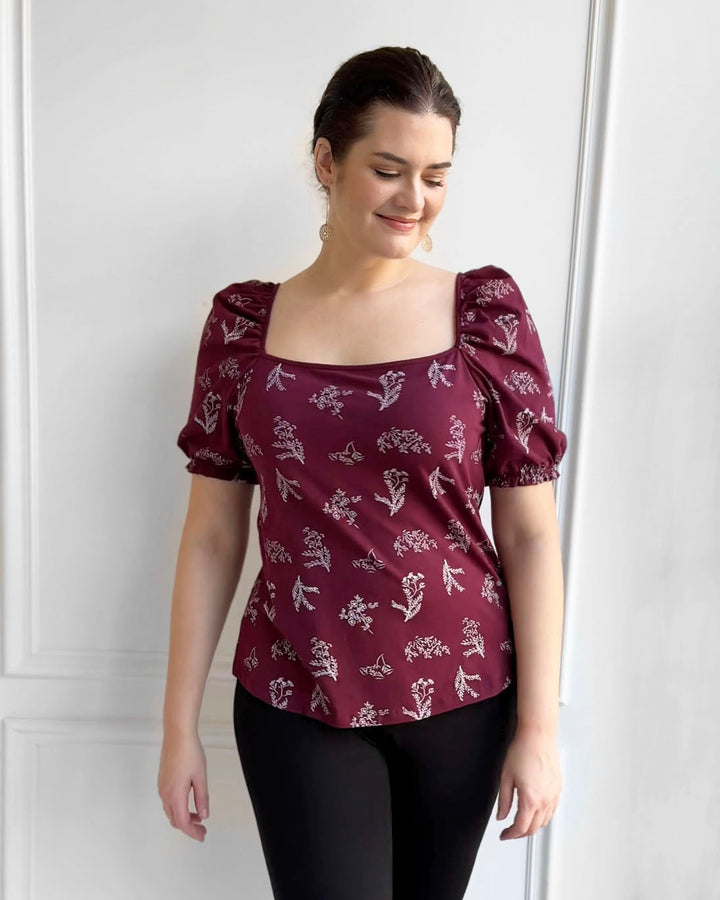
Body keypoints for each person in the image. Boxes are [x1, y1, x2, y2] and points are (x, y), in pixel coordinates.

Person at [158, 45, 568, 900]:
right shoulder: (243, 328)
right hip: (295, 692)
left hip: (462, 696)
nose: (414, 199)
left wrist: (539, 730)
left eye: (435, 176)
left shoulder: (485, 317)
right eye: (388, 170)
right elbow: (211, 537)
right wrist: (176, 726)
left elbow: (530, 536)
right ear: (326, 161)